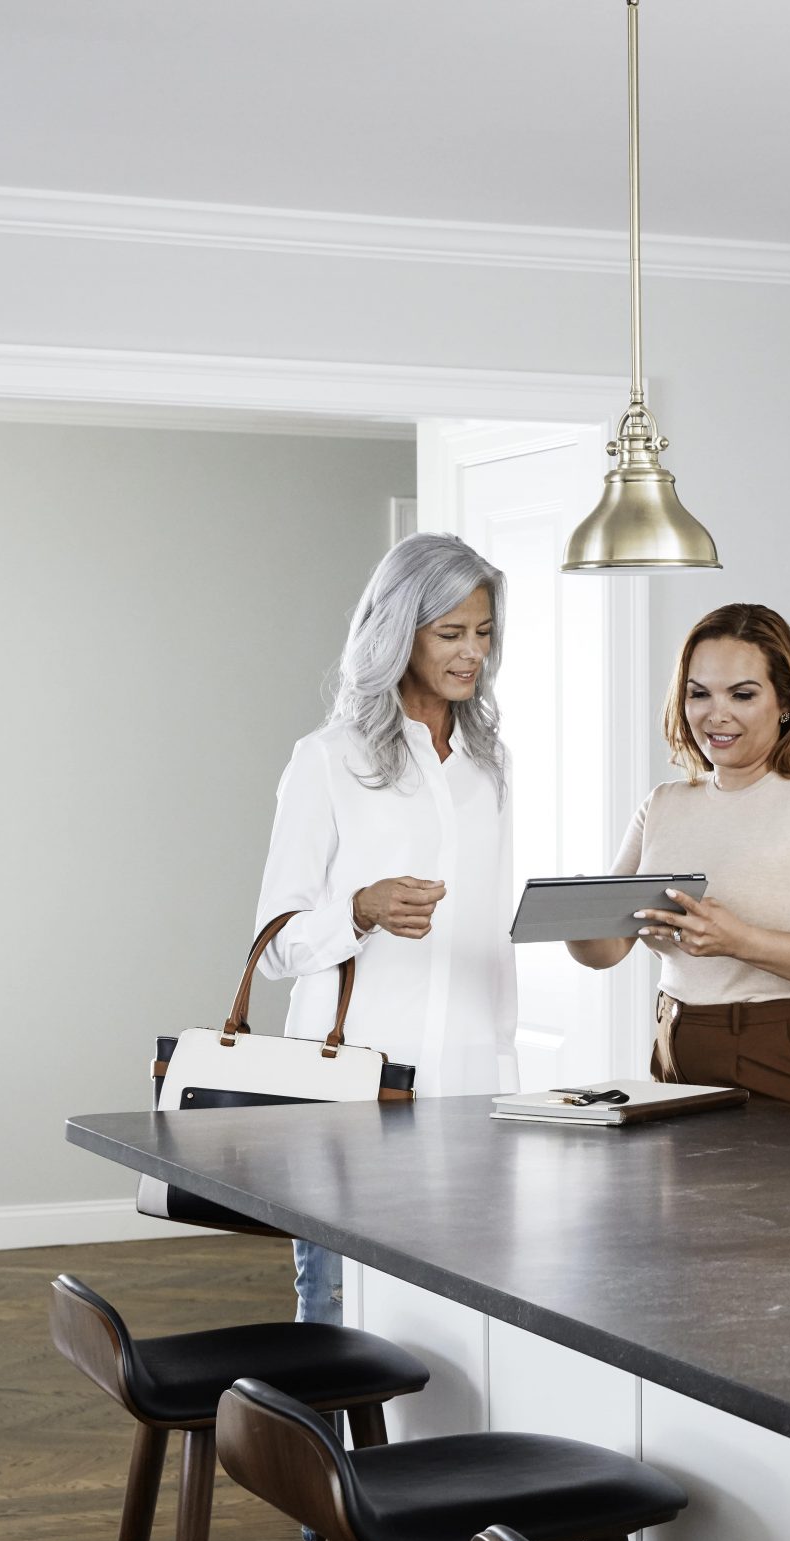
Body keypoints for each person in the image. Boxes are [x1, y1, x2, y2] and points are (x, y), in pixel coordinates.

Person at [254, 533, 519, 1326]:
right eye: (450, 634)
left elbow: (488, 925)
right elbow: (273, 944)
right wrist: (359, 909)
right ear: (397, 631)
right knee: (336, 1311)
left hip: (471, 1093)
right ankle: (319, 1457)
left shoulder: (490, 763)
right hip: (351, 1096)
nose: (472, 654)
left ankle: (415, 1458)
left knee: (457, 1322)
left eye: (483, 632)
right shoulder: (327, 761)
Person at [570, 605, 790, 1122]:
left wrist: (737, 939)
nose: (716, 714)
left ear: (784, 701)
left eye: (742, 694)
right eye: (699, 693)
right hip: (678, 1058)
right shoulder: (664, 803)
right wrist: (575, 914)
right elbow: (606, 950)